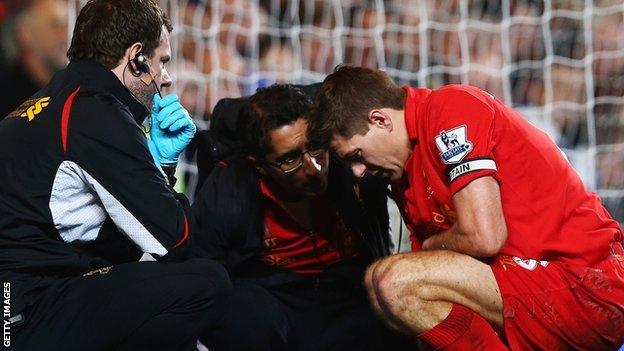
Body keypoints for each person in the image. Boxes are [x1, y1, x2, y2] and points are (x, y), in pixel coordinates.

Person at [307, 65, 624, 350]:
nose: (358, 171)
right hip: (528, 292)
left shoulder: (449, 108)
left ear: (380, 120)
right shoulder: (403, 174)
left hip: (587, 286)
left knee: (394, 281)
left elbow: (485, 236)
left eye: (356, 155)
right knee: (383, 289)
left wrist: (432, 245)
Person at [0, 1, 231, 350]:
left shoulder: (50, 101)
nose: (165, 78)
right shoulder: (95, 112)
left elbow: (117, 238)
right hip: (27, 315)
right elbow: (176, 240)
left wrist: (160, 166)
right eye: (162, 61)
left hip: (19, 302)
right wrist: (165, 167)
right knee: (208, 282)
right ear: (137, 57)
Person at [192, 84, 410, 351]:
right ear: (259, 166)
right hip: (274, 297)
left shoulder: (354, 163)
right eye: (290, 159)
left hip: (348, 289)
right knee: (249, 319)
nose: (314, 168)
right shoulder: (228, 193)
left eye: (316, 146)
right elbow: (202, 277)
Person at [0, 0, 69, 119]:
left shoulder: (72, 90)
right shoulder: (5, 99)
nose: (65, 35)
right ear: (25, 34)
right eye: (55, 25)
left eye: (67, 25)